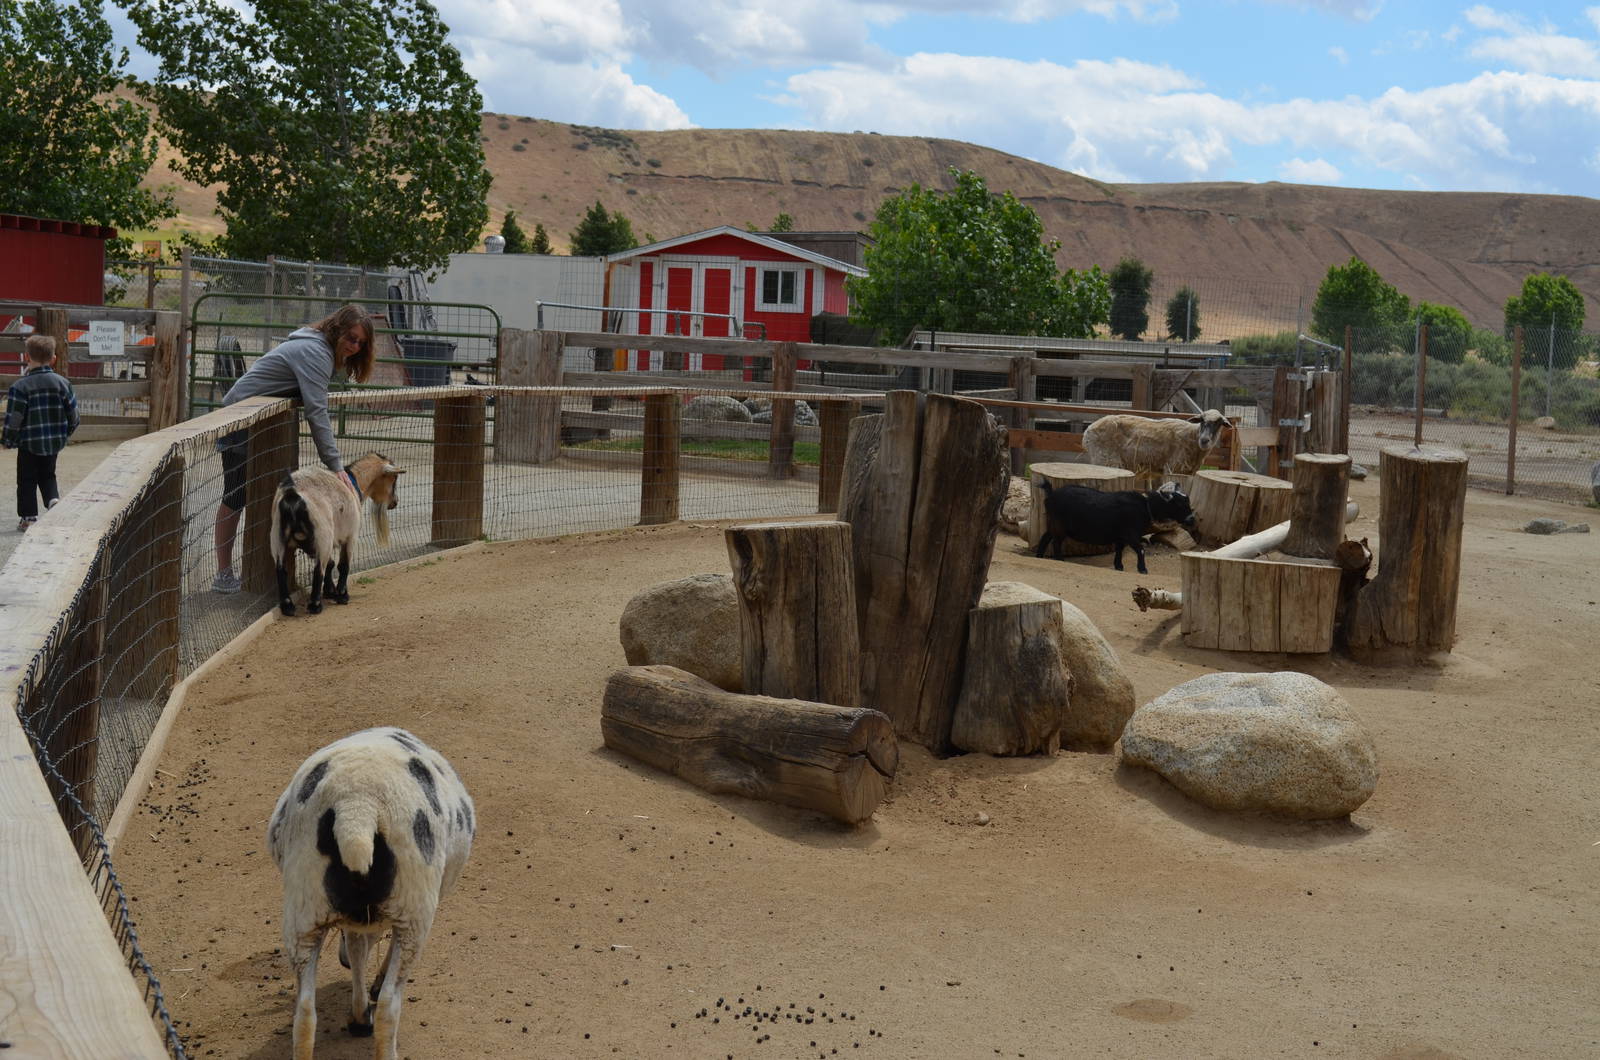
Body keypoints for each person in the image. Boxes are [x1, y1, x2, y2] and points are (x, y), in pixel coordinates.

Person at [211, 304, 376, 593]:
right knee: (236, 494)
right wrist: (336, 466)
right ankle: (223, 573)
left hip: (261, 424)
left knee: (266, 495)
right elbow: (317, 411)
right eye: (351, 338)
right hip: (238, 421)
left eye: (361, 343)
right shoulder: (315, 353)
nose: (355, 346)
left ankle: (264, 577)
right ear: (336, 332)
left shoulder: (317, 348)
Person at [3, 334, 80, 531]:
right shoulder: (63, 384)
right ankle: (53, 500)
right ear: (53, 359)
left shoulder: (19, 387)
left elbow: (15, 419)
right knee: (48, 474)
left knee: (26, 478)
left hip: (28, 443)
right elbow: (73, 413)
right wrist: (67, 432)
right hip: (53, 441)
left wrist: (8, 440)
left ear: (27, 357)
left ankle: (29, 518)